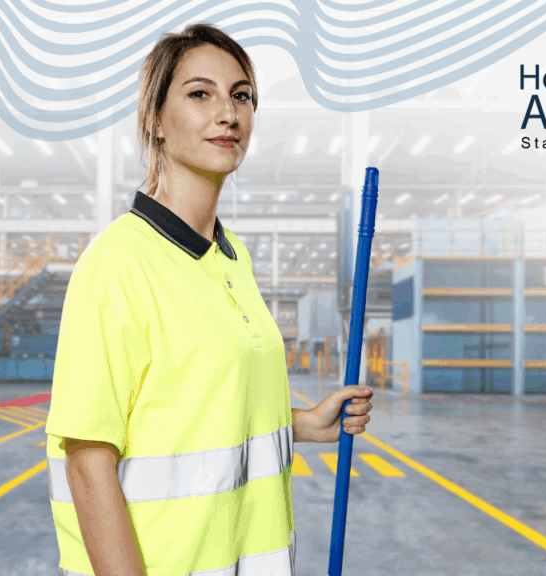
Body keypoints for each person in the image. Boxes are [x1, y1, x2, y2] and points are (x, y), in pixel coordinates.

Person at [45, 22, 374, 576]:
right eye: (200, 94)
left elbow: (198, 413)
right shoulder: (120, 262)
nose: (228, 113)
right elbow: (87, 466)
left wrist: (304, 423)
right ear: (155, 120)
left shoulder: (231, 258)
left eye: (241, 96)